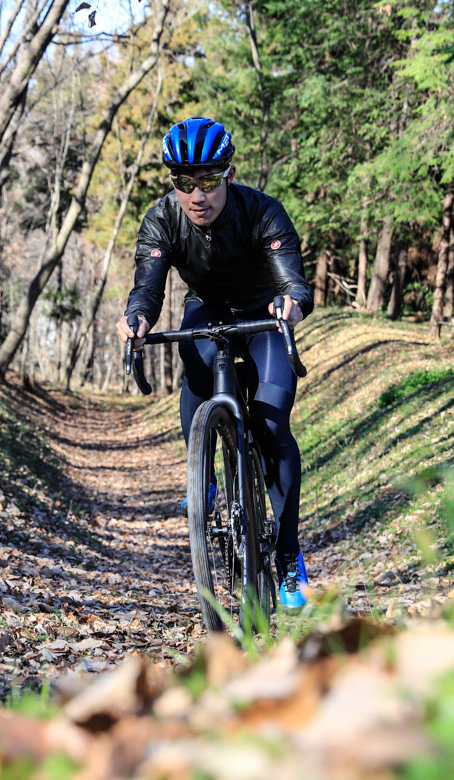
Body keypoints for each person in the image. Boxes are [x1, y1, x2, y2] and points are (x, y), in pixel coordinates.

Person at [115, 116, 313, 610]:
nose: (197, 195)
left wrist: (290, 304)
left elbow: (292, 280)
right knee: (196, 365)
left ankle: (288, 557)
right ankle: (202, 476)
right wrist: (137, 318)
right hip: (208, 309)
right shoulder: (162, 219)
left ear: (228, 174)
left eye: (208, 181)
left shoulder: (262, 211)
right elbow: (148, 287)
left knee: (270, 424)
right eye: (185, 183)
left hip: (264, 312)